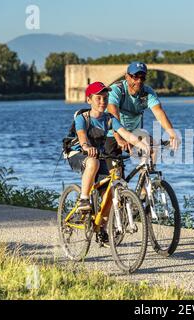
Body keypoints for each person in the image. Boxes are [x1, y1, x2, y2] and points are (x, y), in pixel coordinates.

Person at [68, 81, 149, 243]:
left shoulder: (110, 119)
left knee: (112, 189)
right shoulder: (82, 117)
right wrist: (86, 146)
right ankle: (84, 198)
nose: (103, 102)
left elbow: (126, 134)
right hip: (78, 153)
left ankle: (102, 229)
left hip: (99, 155)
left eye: (105, 98)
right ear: (89, 100)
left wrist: (143, 146)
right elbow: (82, 135)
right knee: (93, 163)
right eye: (98, 98)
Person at [105, 61, 180, 164]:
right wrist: (119, 138)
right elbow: (114, 115)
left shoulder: (147, 93)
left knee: (153, 149)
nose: (139, 81)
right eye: (135, 77)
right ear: (127, 76)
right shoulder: (117, 90)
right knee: (117, 175)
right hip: (112, 134)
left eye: (142, 77)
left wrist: (172, 133)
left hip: (134, 133)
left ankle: (146, 177)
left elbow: (159, 112)